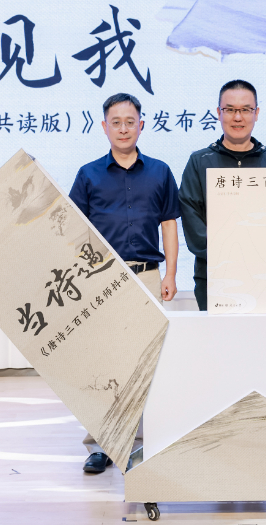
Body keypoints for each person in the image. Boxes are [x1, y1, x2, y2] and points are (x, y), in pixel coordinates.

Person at [68, 92, 181, 474]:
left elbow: (169, 224)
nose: (123, 128)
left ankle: (143, 444)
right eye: (115, 122)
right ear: (104, 127)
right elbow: (74, 232)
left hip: (147, 276)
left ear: (141, 125)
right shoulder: (88, 174)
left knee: (145, 363)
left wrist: (170, 273)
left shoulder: (160, 172)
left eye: (130, 122)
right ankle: (100, 446)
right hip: (103, 281)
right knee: (101, 364)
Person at [178, 79, 266, 311]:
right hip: (213, 276)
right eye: (230, 110)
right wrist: (228, 256)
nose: (238, 117)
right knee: (217, 335)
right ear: (219, 113)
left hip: (265, 277)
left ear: (256, 113)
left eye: (246, 110)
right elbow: (192, 218)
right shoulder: (199, 161)